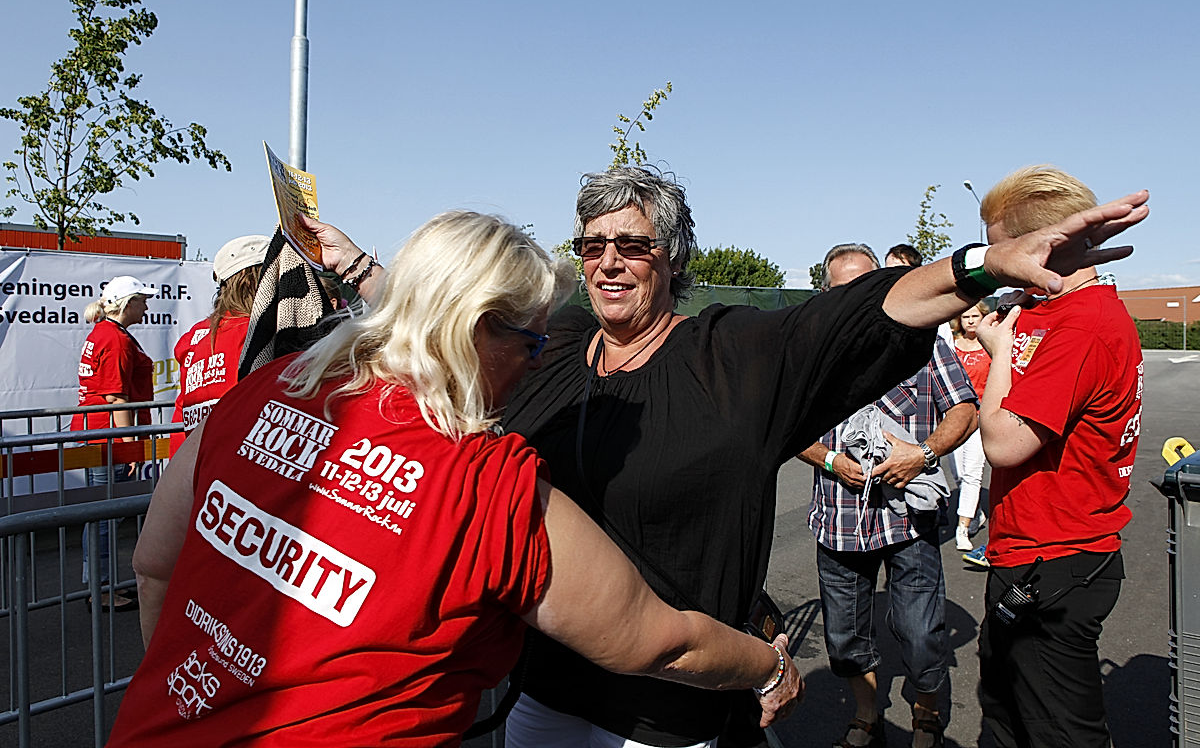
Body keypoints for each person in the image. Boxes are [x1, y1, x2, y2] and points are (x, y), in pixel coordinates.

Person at [496, 164, 1147, 748]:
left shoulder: (726, 358)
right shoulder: (556, 351)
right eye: (592, 245)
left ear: (671, 259)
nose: (609, 261)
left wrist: (983, 265)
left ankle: (920, 714)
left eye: (633, 245)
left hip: (662, 703)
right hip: (545, 681)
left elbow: (859, 315)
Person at [106, 212, 801, 747]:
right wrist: (764, 666)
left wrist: (201, 693)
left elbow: (155, 566)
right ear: (472, 329)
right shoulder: (487, 485)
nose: (536, 365)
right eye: (530, 342)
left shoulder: (256, 397)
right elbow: (659, 640)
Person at [972, 166, 1144, 747]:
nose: (998, 264)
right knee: (1004, 711)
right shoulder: (1048, 306)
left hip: (1055, 561)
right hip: (1028, 553)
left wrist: (998, 351)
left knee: (1058, 732)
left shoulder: (1082, 325)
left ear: (1047, 245)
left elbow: (1002, 443)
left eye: (1003, 249)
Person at [799, 243, 977, 748]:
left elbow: (964, 409)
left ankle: (925, 718)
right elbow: (788, 428)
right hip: (838, 518)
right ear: (828, 292)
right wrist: (831, 460)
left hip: (908, 518)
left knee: (921, 634)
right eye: (844, 288)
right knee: (844, 639)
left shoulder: (923, 341)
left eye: (867, 284)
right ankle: (866, 717)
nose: (857, 297)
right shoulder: (810, 351)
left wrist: (922, 454)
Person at [72, 274, 157, 612]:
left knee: (102, 515)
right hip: (106, 438)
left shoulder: (107, 333)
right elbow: (115, 398)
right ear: (128, 303)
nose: (147, 306)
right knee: (105, 516)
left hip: (97, 434)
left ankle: (100, 584)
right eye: (142, 300)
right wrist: (128, 443)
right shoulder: (116, 339)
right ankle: (101, 590)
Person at [168, 235, 270, 455]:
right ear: (255, 280)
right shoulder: (255, 335)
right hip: (235, 469)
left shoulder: (201, 336)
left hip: (196, 467)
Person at [948, 301, 991, 555]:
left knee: (973, 473)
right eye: (966, 316)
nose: (971, 320)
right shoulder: (951, 346)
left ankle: (961, 530)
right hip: (955, 418)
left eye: (975, 315)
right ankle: (975, 512)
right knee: (959, 474)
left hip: (980, 417)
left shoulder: (990, 345)